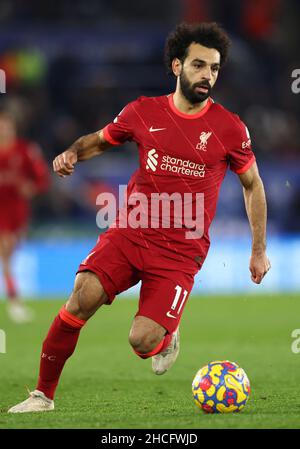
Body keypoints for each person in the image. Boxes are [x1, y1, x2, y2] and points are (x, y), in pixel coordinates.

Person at [8, 22, 270, 413]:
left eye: (214, 69)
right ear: (177, 65)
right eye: (199, 65)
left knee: (142, 342)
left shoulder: (229, 128)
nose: (207, 76)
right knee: (81, 296)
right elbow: (99, 140)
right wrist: (73, 153)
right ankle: (42, 396)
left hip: (181, 250)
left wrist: (258, 249)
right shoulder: (143, 112)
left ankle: (166, 333)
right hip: (130, 231)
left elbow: (253, 185)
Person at [0, 110, 49, 323]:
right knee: (6, 252)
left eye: (5, 126)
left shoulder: (25, 150)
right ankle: (14, 303)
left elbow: (42, 179)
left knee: (10, 253)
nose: (3, 130)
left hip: (18, 213)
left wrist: (32, 188)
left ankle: (14, 301)